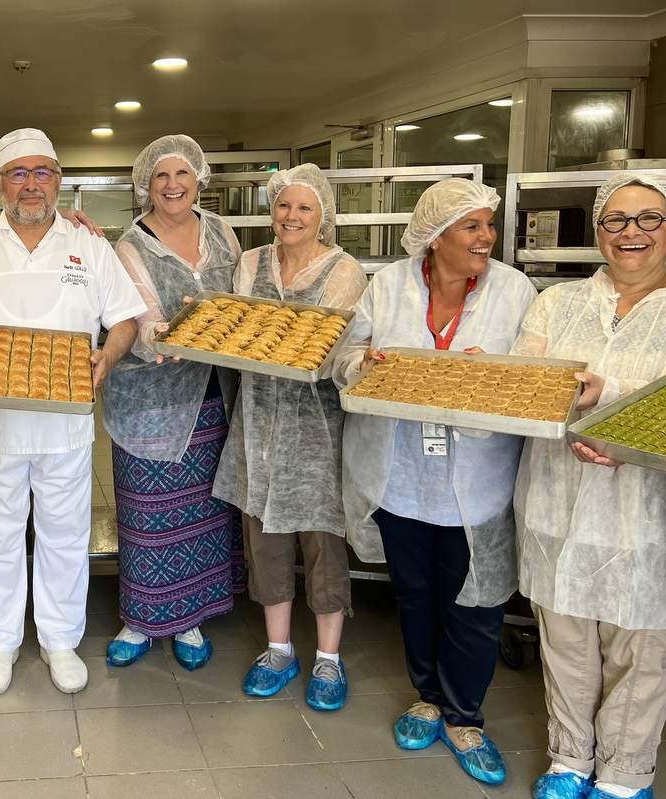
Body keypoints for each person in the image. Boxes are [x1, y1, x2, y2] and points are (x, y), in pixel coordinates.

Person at [332, 178, 536, 786]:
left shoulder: (513, 291)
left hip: (475, 476)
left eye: (488, 226)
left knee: (475, 601)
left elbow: (532, 375)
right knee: (415, 592)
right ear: (435, 235)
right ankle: (426, 696)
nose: (486, 238)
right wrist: (361, 364)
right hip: (400, 472)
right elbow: (345, 355)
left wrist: (492, 376)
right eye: (471, 227)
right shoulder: (389, 285)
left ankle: (464, 715)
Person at [0, 128, 146, 696]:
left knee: (64, 534)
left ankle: (59, 640)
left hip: (66, 427)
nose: (32, 185)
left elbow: (126, 316)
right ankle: (1, 641)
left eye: (44, 172)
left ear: (60, 180)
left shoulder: (90, 246)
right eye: (19, 174)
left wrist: (108, 355)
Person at [514, 173, 666, 799]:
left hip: (649, 514)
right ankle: (568, 761)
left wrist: (609, 402)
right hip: (558, 499)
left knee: (642, 650)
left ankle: (623, 774)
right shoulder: (556, 304)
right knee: (566, 641)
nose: (631, 233)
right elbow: (530, 387)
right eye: (616, 220)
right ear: (598, 229)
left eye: (648, 219)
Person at [212, 164, 366, 710]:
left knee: (322, 539)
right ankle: (278, 649)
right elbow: (233, 333)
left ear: (323, 215)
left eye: (304, 208)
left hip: (314, 426)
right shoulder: (250, 262)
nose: (291, 217)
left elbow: (332, 348)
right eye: (283, 206)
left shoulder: (343, 270)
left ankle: (328, 658)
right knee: (264, 540)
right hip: (255, 420)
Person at [100, 135, 244, 672]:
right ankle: (139, 620)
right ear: (146, 186)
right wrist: (172, 333)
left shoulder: (223, 234)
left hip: (214, 397)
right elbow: (144, 323)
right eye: (160, 176)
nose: (172, 185)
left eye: (182, 173)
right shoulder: (130, 245)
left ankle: (190, 618)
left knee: (204, 510)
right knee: (149, 514)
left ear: (199, 178)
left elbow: (240, 300)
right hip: (151, 402)